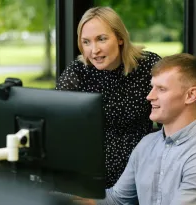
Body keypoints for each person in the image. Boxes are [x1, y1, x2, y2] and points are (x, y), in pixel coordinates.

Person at [72, 53, 196, 205]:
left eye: (161, 89)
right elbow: (117, 199)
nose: (150, 96)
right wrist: (66, 199)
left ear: (191, 95)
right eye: (152, 87)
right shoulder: (147, 144)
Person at [56, 7, 161, 188]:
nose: (94, 50)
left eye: (101, 39)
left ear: (120, 38)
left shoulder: (148, 66)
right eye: (86, 42)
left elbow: (169, 124)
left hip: (140, 173)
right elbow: (54, 117)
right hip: (89, 175)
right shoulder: (78, 71)